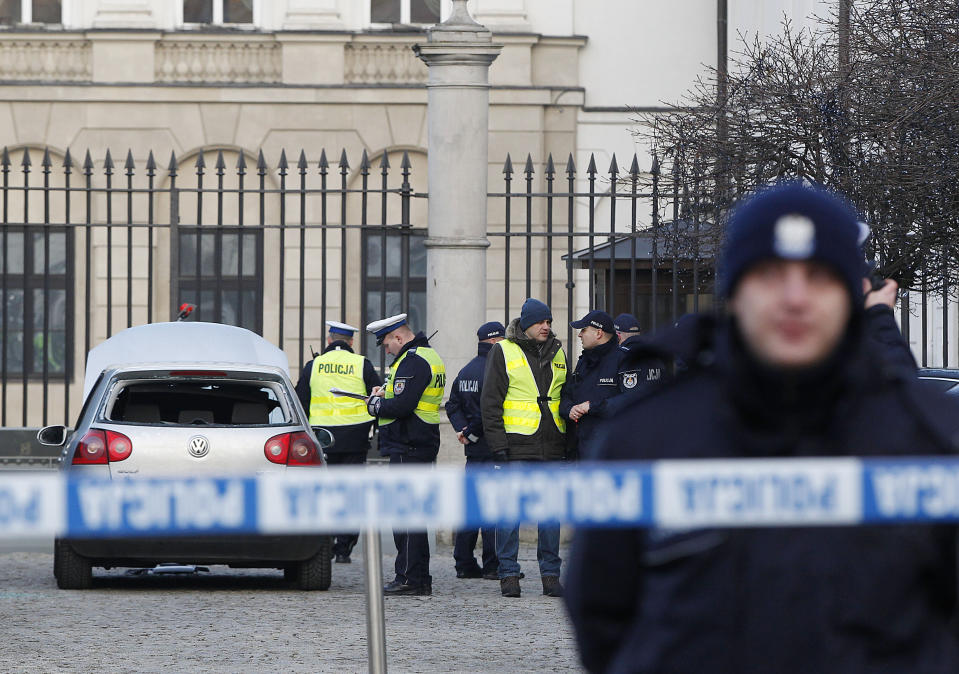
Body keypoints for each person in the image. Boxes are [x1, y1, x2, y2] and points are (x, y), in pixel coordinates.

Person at [565, 181, 959, 672]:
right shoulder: (647, 435)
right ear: (734, 293)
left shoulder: (929, 436)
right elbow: (601, 613)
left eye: (818, 277)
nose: (794, 299)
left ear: (852, 295)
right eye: (770, 275)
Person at [481, 297, 568, 599]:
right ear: (526, 324)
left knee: (550, 516)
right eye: (540, 322)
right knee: (508, 514)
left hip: (551, 443)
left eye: (549, 322)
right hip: (515, 445)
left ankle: (550, 575)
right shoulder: (502, 351)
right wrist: (497, 445)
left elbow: (562, 396)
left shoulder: (558, 351)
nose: (546, 326)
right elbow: (490, 402)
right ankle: (508, 575)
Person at [365, 313, 446, 596]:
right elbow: (405, 396)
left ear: (399, 337)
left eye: (387, 344)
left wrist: (375, 405)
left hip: (408, 442)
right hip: (418, 442)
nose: (386, 350)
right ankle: (418, 578)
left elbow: (402, 405)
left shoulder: (413, 360)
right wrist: (384, 393)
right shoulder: (426, 356)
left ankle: (409, 578)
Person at [295, 320, 381, 564]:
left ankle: (325, 542)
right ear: (351, 342)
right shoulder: (361, 363)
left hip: (322, 440)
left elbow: (300, 401)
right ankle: (344, 548)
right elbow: (377, 396)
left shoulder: (314, 365)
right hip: (355, 440)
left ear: (329, 340)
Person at [446, 320, 505, 580]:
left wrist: (461, 430)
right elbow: (489, 410)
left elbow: (452, 405)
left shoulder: (466, 370)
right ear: (494, 341)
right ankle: (493, 565)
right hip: (491, 446)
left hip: (473, 450)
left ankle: (464, 562)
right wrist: (470, 432)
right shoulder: (495, 369)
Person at [559, 310, 621, 456]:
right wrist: (570, 409)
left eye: (583, 330)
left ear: (598, 333)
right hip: (581, 449)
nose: (580, 335)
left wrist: (592, 407)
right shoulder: (584, 362)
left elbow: (629, 401)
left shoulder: (622, 360)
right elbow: (567, 394)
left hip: (611, 450)